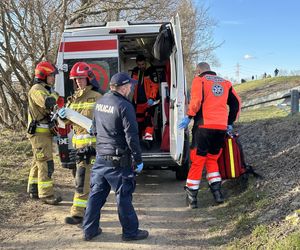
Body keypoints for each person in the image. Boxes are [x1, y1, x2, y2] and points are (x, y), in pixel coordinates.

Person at [82, 72, 149, 241]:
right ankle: (130, 232)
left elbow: (94, 129)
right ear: (124, 87)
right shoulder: (124, 106)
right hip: (118, 161)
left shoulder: (100, 102)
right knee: (123, 196)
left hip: (101, 158)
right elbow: (131, 136)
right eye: (130, 86)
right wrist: (138, 159)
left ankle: (89, 230)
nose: (131, 88)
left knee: (96, 195)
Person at [178, 62, 241, 208]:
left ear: (199, 70)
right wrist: (229, 121)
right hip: (220, 128)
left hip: (204, 127)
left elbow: (196, 101)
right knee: (212, 160)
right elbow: (236, 103)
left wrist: (189, 116)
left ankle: (192, 199)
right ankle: (217, 194)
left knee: (198, 161)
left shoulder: (199, 80)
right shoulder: (226, 83)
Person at [57, 62, 102, 225]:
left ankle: (78, 213)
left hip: (92, 148)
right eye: (75, 79)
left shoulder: (98, 98)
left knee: (82, 179)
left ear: (89, 79)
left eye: (81, 79)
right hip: (78, 148)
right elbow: (66, 124)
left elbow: (105, 122)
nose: (78, 82)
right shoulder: (73, 99)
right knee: (82, 179)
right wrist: (62, 116)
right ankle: (91, 208)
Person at [27, 61, 62, 205]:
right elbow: (48, 102)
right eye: (51, 75)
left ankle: (33, 189)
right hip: (39, 134)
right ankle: (46, 195)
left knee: (38, 161)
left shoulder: (44, 88)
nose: (53, 78)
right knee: (46, 164)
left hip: (43, 133)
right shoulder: (37, 89)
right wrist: (55, 95)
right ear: (43, 75)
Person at [131, 54, 159, 144]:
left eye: (142, 64)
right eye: (139, 65)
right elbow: (132, 84)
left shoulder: (151, 70)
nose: (141, 66)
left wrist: (152, 98)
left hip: (149, 102)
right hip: (137, 102)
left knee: (148, 121)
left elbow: (155, 86)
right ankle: (139, 140)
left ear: (145, 63)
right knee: (138, 122)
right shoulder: (135, 71)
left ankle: (148, 141)